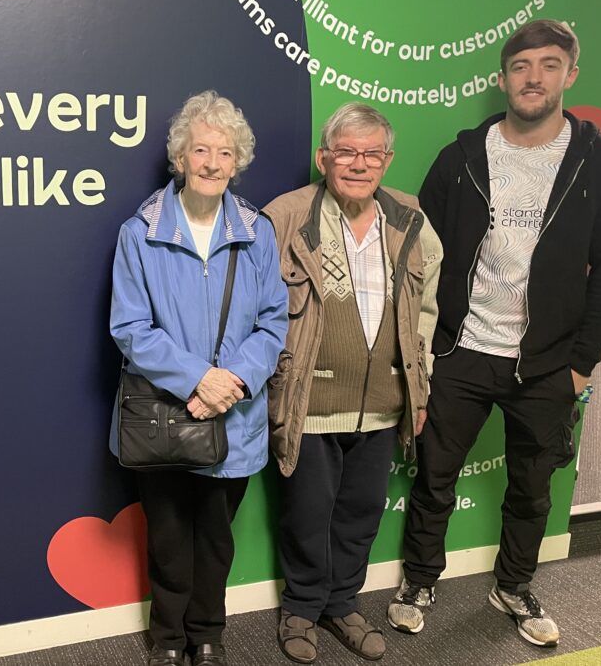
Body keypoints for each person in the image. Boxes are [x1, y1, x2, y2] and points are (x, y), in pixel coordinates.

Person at [388, 20, 601, 647]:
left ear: (569, 75)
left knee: (531, 489)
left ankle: (514, 585)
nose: (534, 78)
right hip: (462, 349)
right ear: (503, 78)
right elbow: (423, 254)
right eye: (522, 66)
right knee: (434, 479)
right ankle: (419, 580)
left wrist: (582, 363)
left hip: (551, 364)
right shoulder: (463, 157)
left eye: (549, 65)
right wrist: (427, 346)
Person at [109, 91, 288, 666]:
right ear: (180, 158)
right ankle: (166, 639)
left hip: (233, 414)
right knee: (167, 538)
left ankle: (207, 635)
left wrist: (229, 381)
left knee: (215, 538)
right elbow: (130, 326)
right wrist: (197, 381)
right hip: (163, 414)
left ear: (237, 164)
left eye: (225, 152)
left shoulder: (257, 232)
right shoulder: (140, 232)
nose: (212, 162)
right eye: (201, 150)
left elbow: (273, 321)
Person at [263, 102, 442, 663]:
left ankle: (342, 605)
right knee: (306, 515)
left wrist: (421, 387)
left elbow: (427, 313)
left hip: (385, 404)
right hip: (309, 402)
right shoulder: (285, 216)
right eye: (346, 151)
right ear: (324, 157)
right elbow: (257, 311)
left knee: (361, 514)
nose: (359, 163)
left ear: (387, 161)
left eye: (372, 153)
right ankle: (301, 608)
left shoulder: (411, 219)